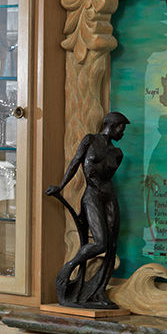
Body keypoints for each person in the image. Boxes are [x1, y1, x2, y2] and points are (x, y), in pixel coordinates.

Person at [47, 110, 128, 309]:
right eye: (122, 128)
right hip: (92, 195)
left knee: (111, 245)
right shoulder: (90, 140)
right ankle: (69, 267)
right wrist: (61, 186)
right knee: (100, 243)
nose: (123, 133)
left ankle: (98, 292)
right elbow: (75, 163)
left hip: (110, 197)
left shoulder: (118, 153)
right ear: (112, 125)